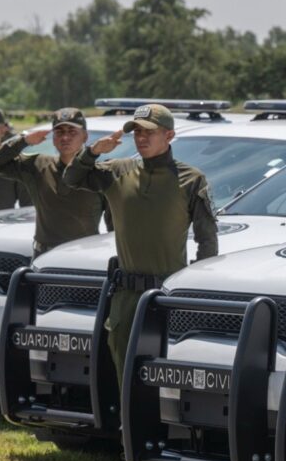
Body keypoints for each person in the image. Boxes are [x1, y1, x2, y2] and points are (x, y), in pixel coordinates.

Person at [63, 103, 218, 392]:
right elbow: (72, 178)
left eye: (150, 132)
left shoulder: (191, 179)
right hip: (126, 296)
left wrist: (196, 295)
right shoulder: (118, 170)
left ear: (169, 135)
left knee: (163, 376)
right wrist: (93, 151)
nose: (141, 138)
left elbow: (207, 240)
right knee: (126, 378)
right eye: (137, 132)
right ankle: (127, 434)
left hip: (166, 296)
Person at [0, 108, 109, 259]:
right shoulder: (38, 165)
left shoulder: (99, 172)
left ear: (85, 136)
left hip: (83, 258)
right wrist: (23, 141)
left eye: (72, 132)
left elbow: (113, 225)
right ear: (53, 137)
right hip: (44, 256)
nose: (65, 137)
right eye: (59, 132)